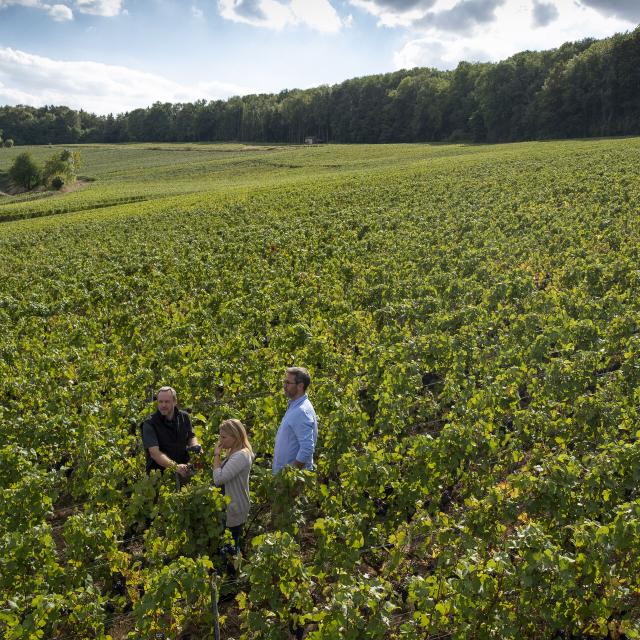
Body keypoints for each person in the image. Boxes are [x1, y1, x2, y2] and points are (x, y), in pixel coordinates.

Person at [142, 385, 201, 478]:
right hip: (159, 477)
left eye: (167, 402)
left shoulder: (184, 417)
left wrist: (195, 446)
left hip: (184, 472)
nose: (163, 405)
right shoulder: (149, 423)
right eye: (160, 402)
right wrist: (175, 467)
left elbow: (191, 436)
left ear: (174, 402)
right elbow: (155, 453)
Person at [213, 419, 253, 553]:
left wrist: (216, 455)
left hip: (234, 508)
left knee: (230, 547)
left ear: (236, 437)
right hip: (230, 506)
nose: (221, 440)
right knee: (229, 545)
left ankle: (231, 573)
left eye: (224, 437)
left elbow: (219, 479)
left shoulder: (241, 456)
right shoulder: (235, 453)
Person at [272, 367, 318, 474]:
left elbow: (307, 448)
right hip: (284, 477)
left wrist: (291, 476)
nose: (284, 386)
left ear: (300, 386)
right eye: (284, 382)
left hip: (291, 482)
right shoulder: (295, 405)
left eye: (288, 383)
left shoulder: (301, 411)